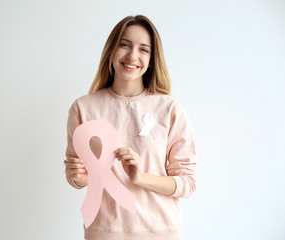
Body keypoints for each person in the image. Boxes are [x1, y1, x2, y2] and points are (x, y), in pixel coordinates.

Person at [64, 15, 197, 240]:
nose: (132, 55)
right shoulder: (83, 107)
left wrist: (140, 177)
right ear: (111, 50)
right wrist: (76, 176)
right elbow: (79, 177)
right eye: (124, 44)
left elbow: (188, 183)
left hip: (160, 232)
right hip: (103, 231)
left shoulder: (170, 108)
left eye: (143, 49)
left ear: (152, 58)